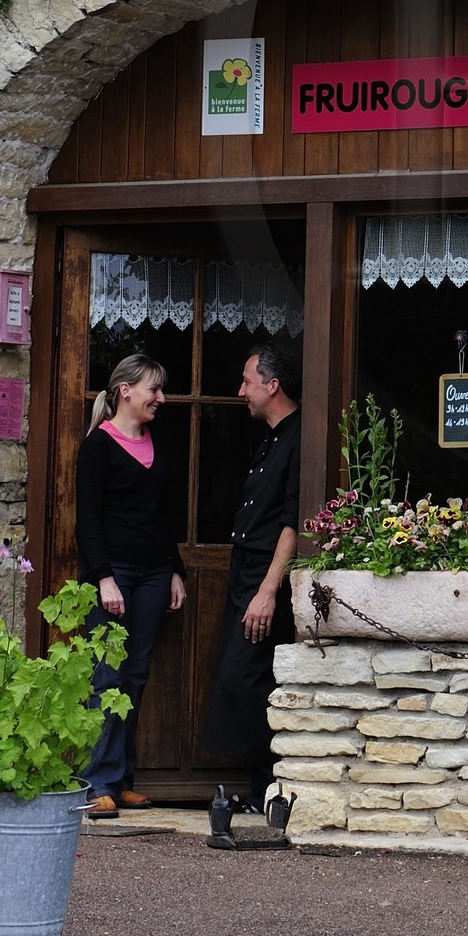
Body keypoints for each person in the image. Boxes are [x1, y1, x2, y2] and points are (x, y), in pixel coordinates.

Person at [76, 353, 186, 820]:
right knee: (107, 677)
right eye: (153, 390)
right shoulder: (98, 447)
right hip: (113, 574)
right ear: (126, 391)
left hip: (154, 574)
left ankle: (121, 781)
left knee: (135, 677)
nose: (160, 398)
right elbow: (87, 521)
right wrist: (103, 577)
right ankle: (97, 782)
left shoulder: (159, 443)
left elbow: (165, 518)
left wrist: (176, 569)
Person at [204, 339, 300, 809]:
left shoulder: (300, 436)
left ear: (272, 385)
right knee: (249, 681)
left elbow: (294, 522)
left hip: (266, 579)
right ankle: (265, 791)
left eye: (247, 381)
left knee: (246, 681)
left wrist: (267, 592)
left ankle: (272, 790)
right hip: (245, 575)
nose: (240, 390)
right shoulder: (273, 436)